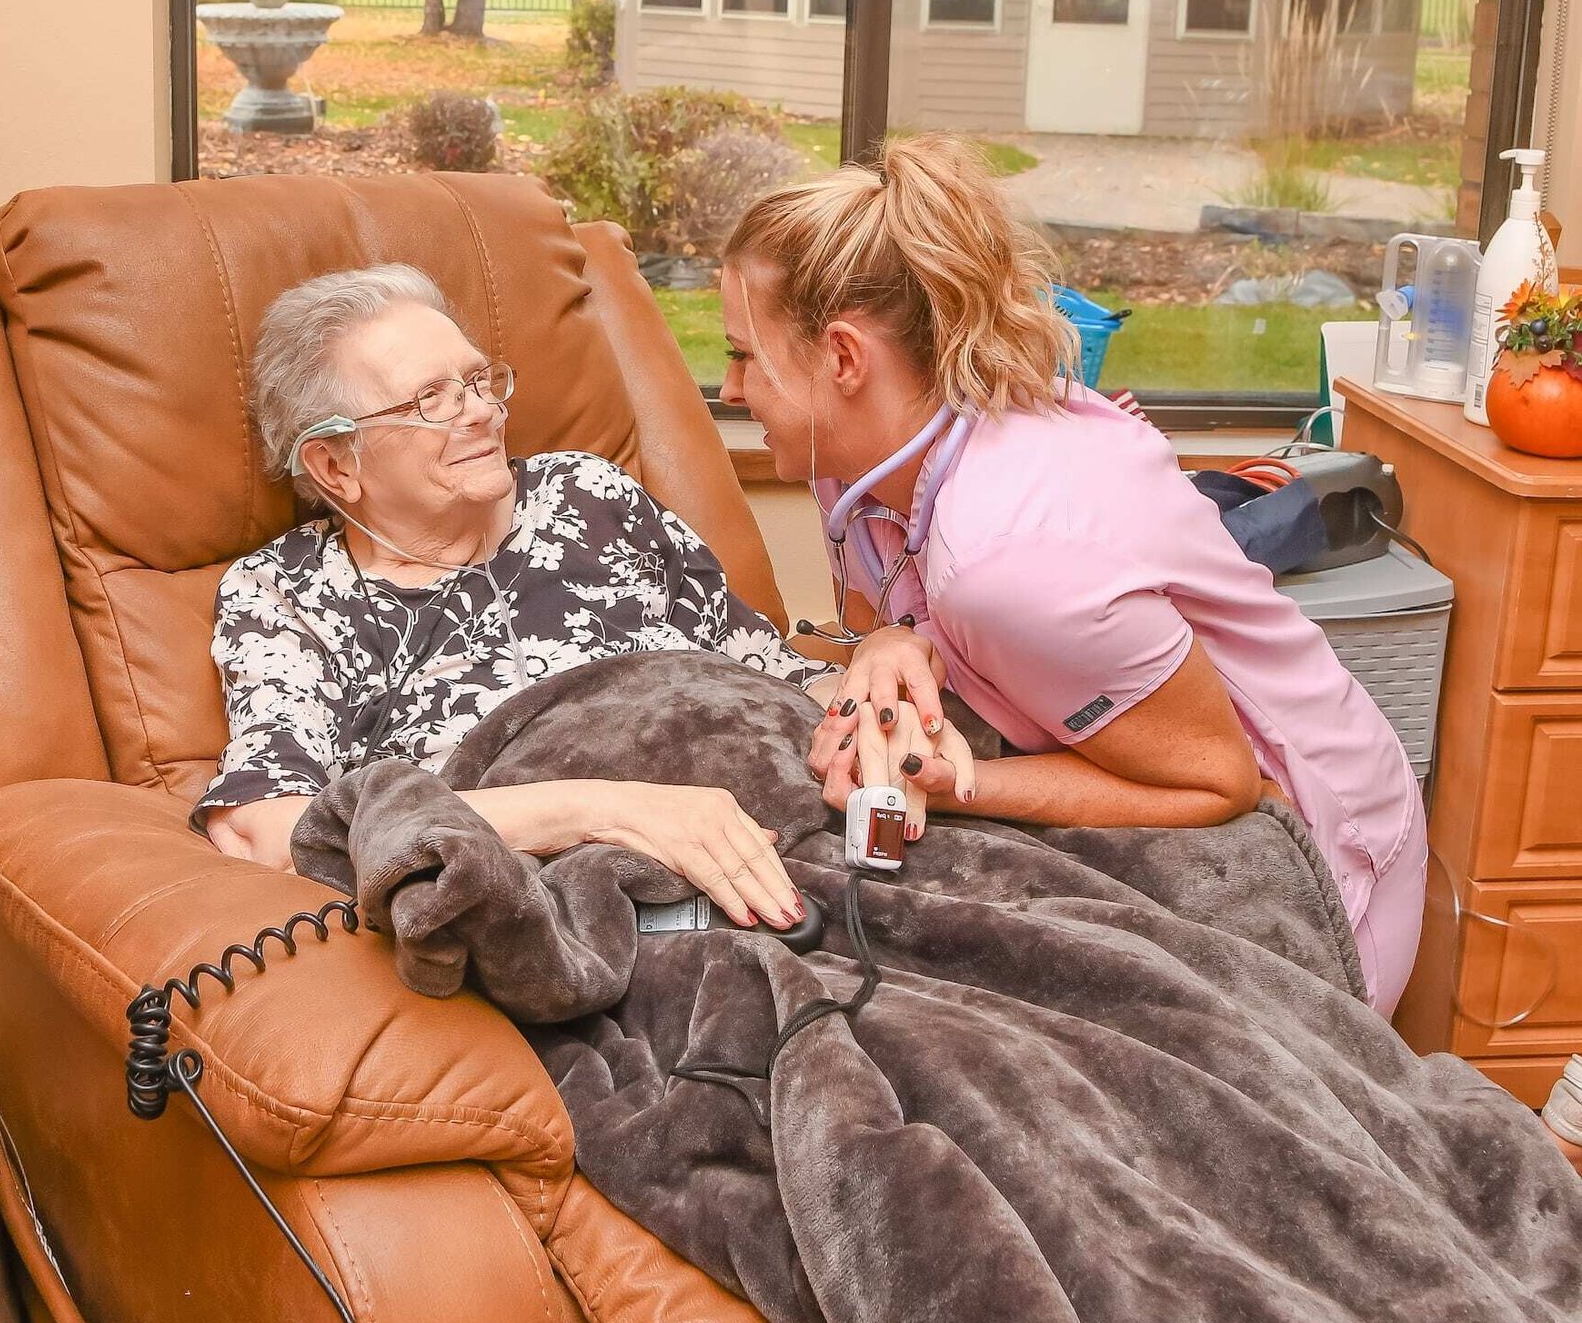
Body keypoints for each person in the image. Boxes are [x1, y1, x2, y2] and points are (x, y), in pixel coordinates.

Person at [717, 132, 1428, 1016]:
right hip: (1136, 747)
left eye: (743, 354)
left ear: (843, 357)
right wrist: (886, 645)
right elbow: (894, 602)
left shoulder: (1011, 560)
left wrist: (953, 785)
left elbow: (1218, 781)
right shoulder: (856, 455)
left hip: (1313, 837)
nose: (731, 390)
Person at [197, 263, 946, 928]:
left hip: (789, 837)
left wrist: (874, 677)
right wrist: (607, 809)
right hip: (597, 913)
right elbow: (270, 830)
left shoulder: (586, 494)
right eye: (431, 398)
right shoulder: (286, 594)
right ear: (334, 464)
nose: (483, 411)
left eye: (479, 380)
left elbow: (765, 673)